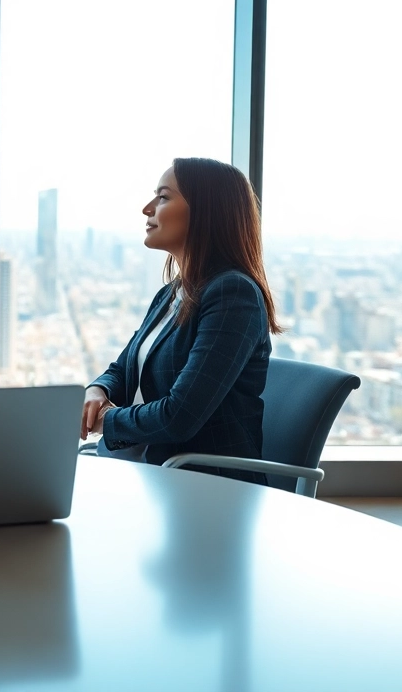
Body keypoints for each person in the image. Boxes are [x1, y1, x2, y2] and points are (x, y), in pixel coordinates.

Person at [81, 158, 280, 485]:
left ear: (205, 211)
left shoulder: (233, 295)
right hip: (152, 476)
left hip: (206, 489)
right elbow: (124, 367)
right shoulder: (171, 295)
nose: (148, 209)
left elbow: (179, 416)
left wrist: (106, 420)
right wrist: (97, 389)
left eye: (163, 197)